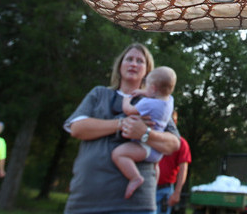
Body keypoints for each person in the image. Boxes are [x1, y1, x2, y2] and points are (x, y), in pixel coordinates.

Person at [64, 43, 181, 214]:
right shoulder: (99, 94)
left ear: (148, 72)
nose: (133, 64)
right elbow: (76, 128)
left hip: (135, 205)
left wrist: (145, 133)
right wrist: (120, 123)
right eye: (129, 59)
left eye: (140, 61)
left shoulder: (156, 104)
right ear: (119, 66)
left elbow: (173, 144)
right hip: (86, 199)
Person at [112, 66, 177, 199]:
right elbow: (157, 95)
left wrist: (127, 97)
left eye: (147, 86)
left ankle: (135, 177)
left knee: (118, 154)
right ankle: (153, 186)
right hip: (158, 150)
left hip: (145, 147)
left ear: (153, 88)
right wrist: (145, 92)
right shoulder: (169, 101)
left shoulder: (147, 103)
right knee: (155, 168)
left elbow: (129, 110)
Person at [156, 112, 191, 214]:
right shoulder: (151, 137)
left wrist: (177, 192)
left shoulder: (181, 143)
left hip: (164, 190)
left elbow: (183, 169)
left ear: (174, 122)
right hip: (147, 187)